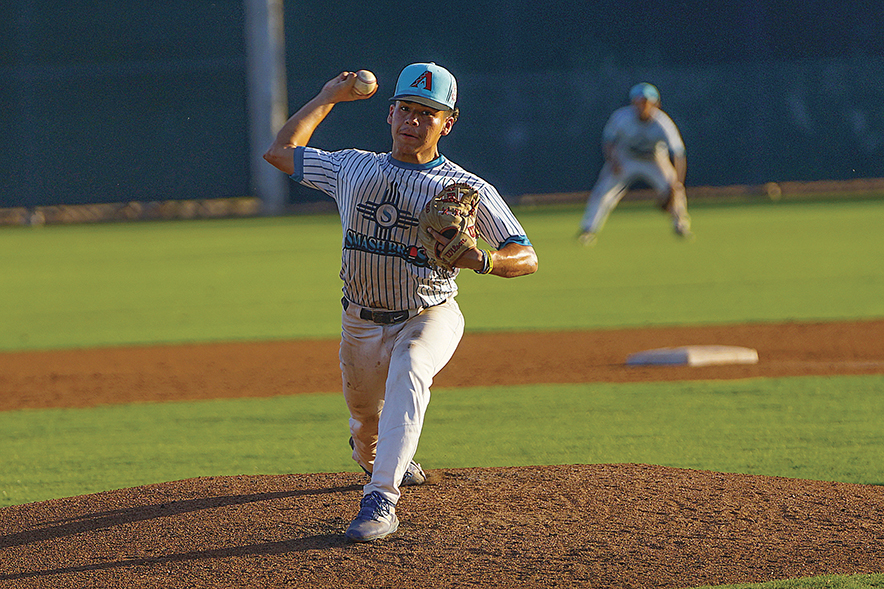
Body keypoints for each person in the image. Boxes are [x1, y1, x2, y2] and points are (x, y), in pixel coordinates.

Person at [263, 62, 538, 542]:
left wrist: (485, 261)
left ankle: (381, 500)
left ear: (447, 124)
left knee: (411, 367)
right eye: (406, 109)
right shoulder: (353, 167)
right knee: (366, 423)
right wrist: (329, 96)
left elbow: (526, 255)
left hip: (429, 314)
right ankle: (378, 453)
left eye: (427, 114)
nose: (413, 121)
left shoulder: (465, 190)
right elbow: (280, 152)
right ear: (389, 114)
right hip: (360, 322)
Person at [577, 82, 691, 245]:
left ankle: (681, 226)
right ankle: (588, 230)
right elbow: (609, 141)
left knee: (676, 191)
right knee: (603, 192)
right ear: (633, 103)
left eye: (647, 102)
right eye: (639, 101)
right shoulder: (622, 117)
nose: (643, 106)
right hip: (626, 158)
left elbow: (678, 154)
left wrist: (677, 182)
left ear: (656, 104)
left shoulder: (663, 123)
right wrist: (613, 162)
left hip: (655, 159)